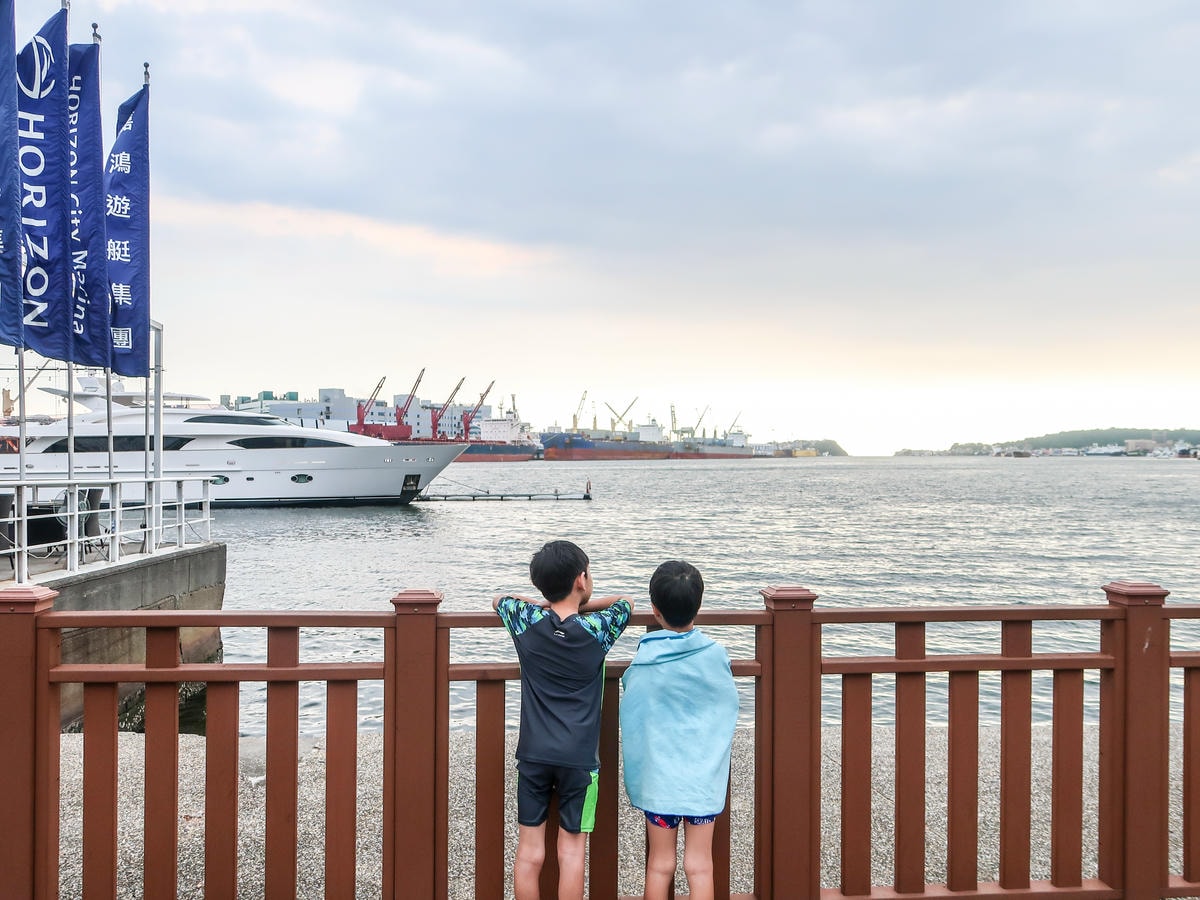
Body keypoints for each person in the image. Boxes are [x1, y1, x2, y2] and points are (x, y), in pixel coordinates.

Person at [493, 539, 634, 900]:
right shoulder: (597, 629)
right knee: (571, 853)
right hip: (579, 758)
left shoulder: (526, 621)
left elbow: (499, 600)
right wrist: (583, 605)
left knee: (529, 852)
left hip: (533, 753)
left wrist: (541, 605)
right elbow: (626, 602)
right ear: (581, 580)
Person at [620, 560, 739, 900]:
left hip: (660, 780)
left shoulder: (645, 659)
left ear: (654, 610)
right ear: (698, 606)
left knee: (660, 864)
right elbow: (727, 704)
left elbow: (635, 708)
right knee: (699, 865)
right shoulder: (715, 654)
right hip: (702, 779)